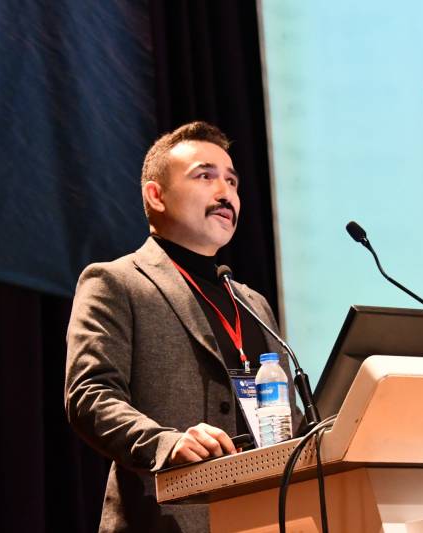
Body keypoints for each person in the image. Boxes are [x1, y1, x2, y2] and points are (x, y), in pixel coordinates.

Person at [65, 121, 299, 532]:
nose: (225, 193)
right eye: (205, 176)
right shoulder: (116, 282)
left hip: (265, 519)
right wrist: (166, 443)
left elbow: (285, 418)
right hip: (164, 519)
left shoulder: (253, 304)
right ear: (155, 195)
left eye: (232, 181)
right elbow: (90, 396)